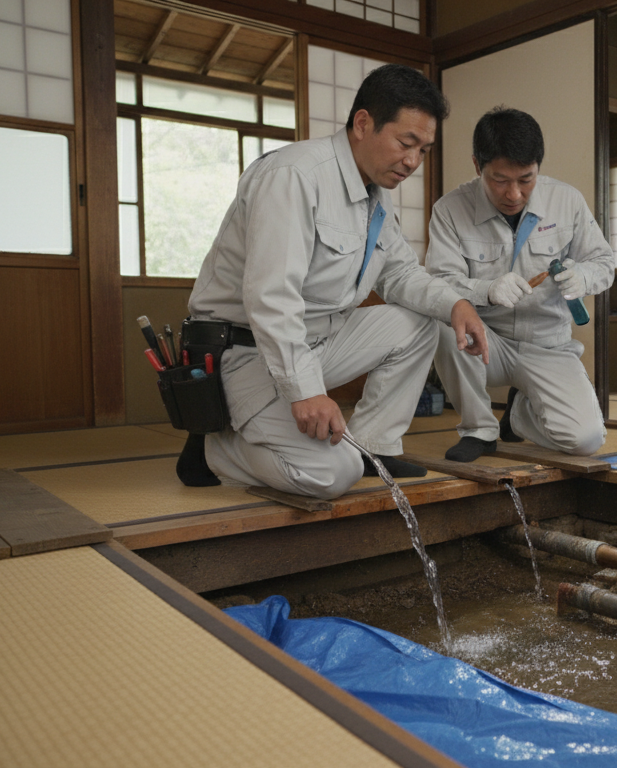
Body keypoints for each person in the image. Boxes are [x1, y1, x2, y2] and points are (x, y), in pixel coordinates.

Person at [177, 64, 488, 498]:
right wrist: (305, 392)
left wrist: (457, 304)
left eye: (424, 149)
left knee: (423, 321)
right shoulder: (294, 176)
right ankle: (217, 448)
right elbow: (271, 297)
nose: (413, 161)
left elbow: (399, 273)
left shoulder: (375, 195)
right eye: (405, 143)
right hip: (245, 354)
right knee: (330, 475)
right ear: (363, 123)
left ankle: (372, 449)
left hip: (314, 344)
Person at [426, 107, 614, 462]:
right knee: (441, 318)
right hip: (486, 341)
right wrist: (486, 290)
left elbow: (604, 263)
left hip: (549, 344)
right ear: (476, 165)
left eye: (526, 179)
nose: (513, 193)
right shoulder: (450, 209)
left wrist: (583, 276)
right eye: (500, 180)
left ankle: (519, 414)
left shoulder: (567, 200)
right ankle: (479, 429)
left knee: (586, 441)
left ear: (538, 166)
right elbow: (439, 283)